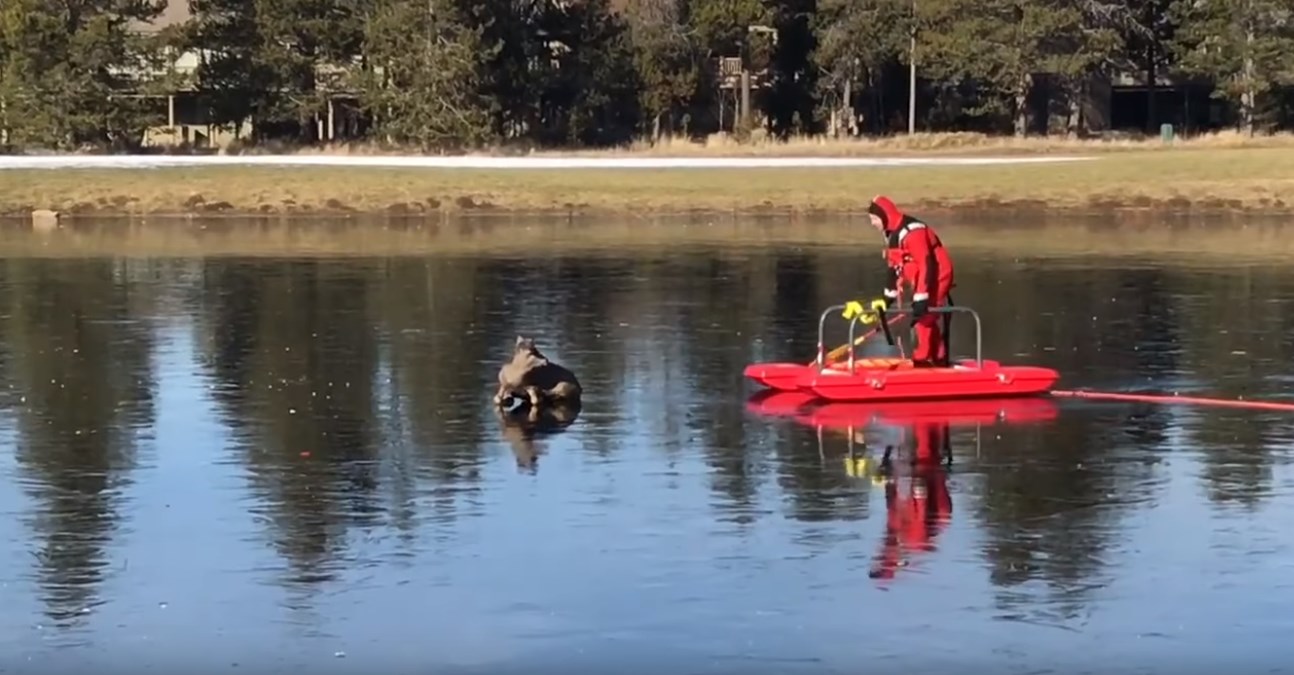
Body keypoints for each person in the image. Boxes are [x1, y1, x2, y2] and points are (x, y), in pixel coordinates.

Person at [866, 195, 955, 368]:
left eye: (874, 219)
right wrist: (887, 299)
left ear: (884, 216)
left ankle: (923, 359)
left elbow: (926, 264)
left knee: (924, 318)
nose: (873, 224)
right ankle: (937, 356)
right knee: (924, 316)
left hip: (937, 274)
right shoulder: (892, 235)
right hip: (920, 277)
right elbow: (893, 268)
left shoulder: (913, 232)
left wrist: (921, 297)